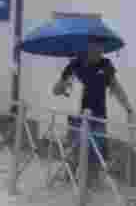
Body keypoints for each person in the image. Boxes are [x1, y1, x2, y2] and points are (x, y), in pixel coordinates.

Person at [53, 40, 134, 188]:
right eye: (95, 48)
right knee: (73, 154)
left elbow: (116, 87)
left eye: (101, 49)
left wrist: (128, 107)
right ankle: (68, 184)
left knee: (96, 154)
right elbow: (56, 90)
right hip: (77, 119)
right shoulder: (74, 65)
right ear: (87, 48)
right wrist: (64, 85)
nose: (99, 52)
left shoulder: (106, 65)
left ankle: (90, 187)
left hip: (98, 117)